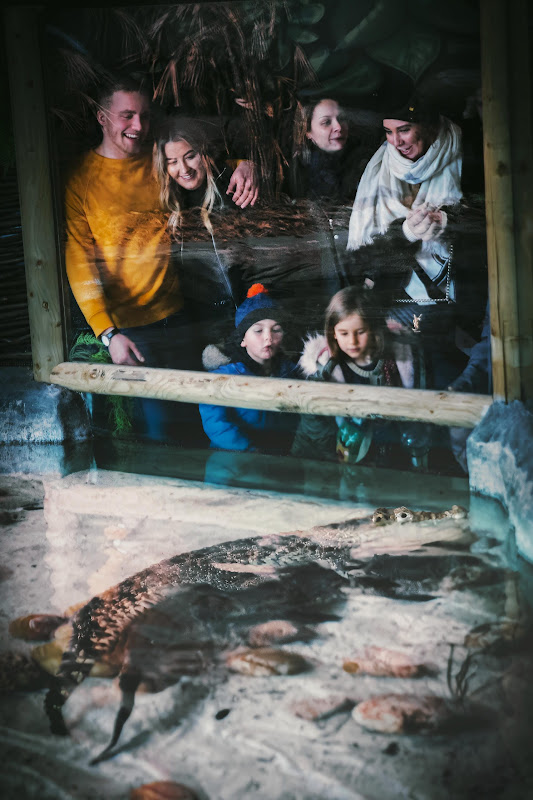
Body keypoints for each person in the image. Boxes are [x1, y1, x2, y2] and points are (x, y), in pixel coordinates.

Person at [64, 75, 258, 441]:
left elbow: (201, 154)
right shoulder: (81, 179)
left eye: (144, 116)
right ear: (101, 117)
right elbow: (78, 258)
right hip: (133, 330)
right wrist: (108, 334)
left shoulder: (158, 155)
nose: (138, 126)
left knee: (202, 425)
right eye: (126, 116)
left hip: (184, 315)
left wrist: (245, 162)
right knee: (158, 431)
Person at [346, 99, 488, 391]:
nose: (395, 142)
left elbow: (496, 218)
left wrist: (450, 221)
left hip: (462, 310)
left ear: (429, 125)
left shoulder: (471, 152)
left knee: (463, 387)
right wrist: (405, 234)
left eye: (404, 130)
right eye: (388, 132)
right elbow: (363, 260)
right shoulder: (377, 170)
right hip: (400, 310)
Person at [291, 286, 417, 465]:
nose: (352, 342)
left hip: (393, 446)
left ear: (373, 329)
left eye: (360, 332)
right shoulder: (324, 370)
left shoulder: (397, 358)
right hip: (347, 453)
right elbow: (313, 431)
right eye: (344, 333)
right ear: (333, 332)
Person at [198, 284, 299, 453]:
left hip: (281, 455)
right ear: (242, 340)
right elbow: (216, 423)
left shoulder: (291, 371)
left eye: (276, 330)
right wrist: (249, 451)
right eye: (258, 331)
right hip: (235, 461)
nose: (268, 338)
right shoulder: (223, 377)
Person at [287, 97, 372, 204]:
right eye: (326, 122)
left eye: (342, 118)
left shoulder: (363, 161)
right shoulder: (297, 167)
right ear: (307, 131)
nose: (339, 127)